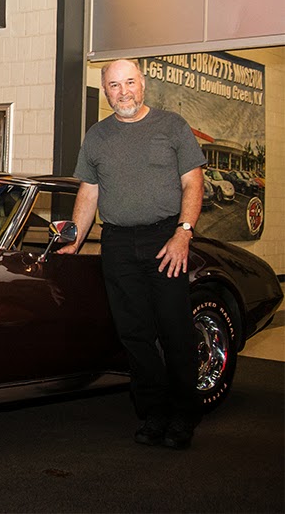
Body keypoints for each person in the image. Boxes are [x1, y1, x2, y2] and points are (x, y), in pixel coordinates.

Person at [57, 58, 206, 450]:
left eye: (129, 83)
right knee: (134, 335)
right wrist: (73, 239)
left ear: (143, 84)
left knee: (175, 330)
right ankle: (154, 411)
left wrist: (183, 233)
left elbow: (193, 184)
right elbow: (88, 192)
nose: (122, 92)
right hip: (118, 243)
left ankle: (183, 414)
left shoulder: (172, 126)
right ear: (105, 91)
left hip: (166, 239)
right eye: (113, 86)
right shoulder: (97, 136)